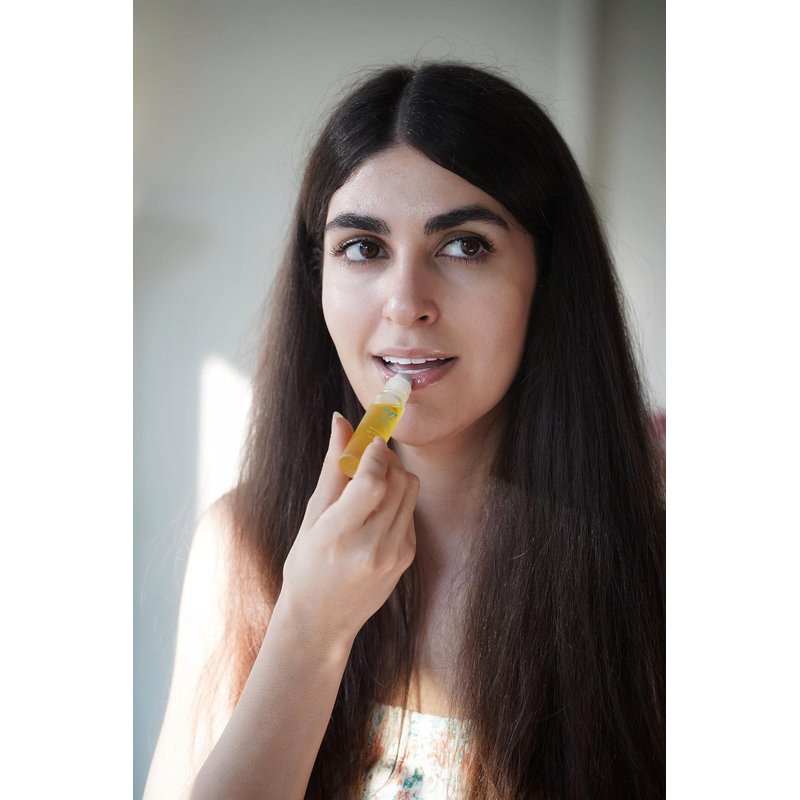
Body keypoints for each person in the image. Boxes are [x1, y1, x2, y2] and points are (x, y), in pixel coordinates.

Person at [143, 62, 665, 800]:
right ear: (317, 280)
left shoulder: (658, 557)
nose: (406, 301)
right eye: (363, 247)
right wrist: (309, 627)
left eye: (465, 245)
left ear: (547, 280)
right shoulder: (239, 545)